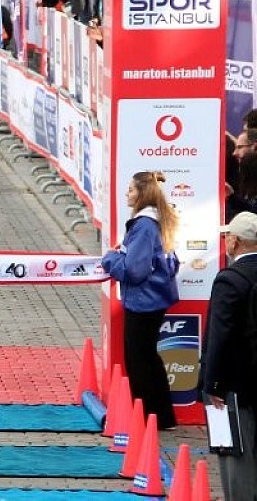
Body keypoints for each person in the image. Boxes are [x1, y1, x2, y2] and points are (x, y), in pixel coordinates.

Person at [101, 171, 180, 430]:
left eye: (131, 189)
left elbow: (134, 270)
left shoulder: (145, 225)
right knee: (147, 356)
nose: (127, 193)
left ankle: (145, 417)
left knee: (138, 360)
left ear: (142, 194)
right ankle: (161, 416)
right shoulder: (157, 220)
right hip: (153, 298)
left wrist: (110, 259)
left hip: (144, 300)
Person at [203, 212, 257, 499]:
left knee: (238, 458)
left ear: (235, 241)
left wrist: (212, 384)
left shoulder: (230, 280)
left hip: (237, 385)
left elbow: (219, 336)